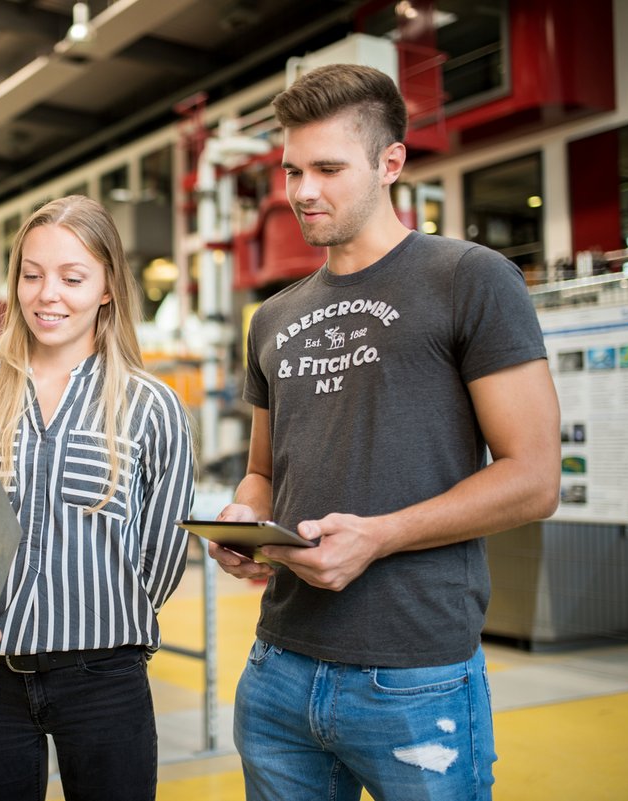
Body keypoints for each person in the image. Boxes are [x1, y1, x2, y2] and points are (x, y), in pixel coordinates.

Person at [208, 64, 560, 801]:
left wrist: (381, 534)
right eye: (293, 170)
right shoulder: (272, 316)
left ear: (390, 161)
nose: (303, 191)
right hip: (278, 670)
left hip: (415, 674)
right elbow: (263, 472)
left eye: (329, 168)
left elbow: (534, 478)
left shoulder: (469, 279)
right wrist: (244, 520)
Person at [0, 195, 196, 801]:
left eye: (72, 278)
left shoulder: (152, 407)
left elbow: (164, 549)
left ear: (107, 288)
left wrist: (102, 618)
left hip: (106, 678)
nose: (48, 294)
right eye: (32, 274)